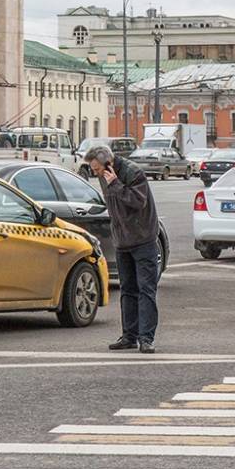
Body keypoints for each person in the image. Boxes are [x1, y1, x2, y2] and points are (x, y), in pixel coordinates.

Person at [83, 145, 161, 354]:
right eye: (93, 169)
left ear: (108, 164)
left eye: (97, 168)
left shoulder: (133, 172)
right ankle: (129, 336)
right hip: (122, 241)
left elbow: (137, 201)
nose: (95, 173)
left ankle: (146, 338)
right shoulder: (104, 175)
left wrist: (115, 183)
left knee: (146, 289)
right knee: (127, 290)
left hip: (143, 239)